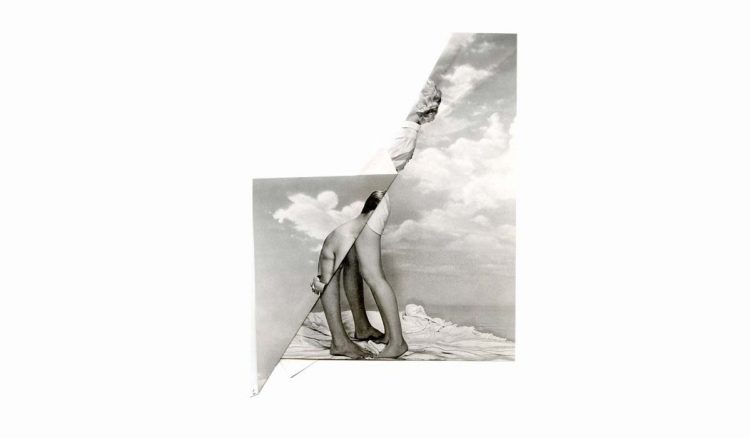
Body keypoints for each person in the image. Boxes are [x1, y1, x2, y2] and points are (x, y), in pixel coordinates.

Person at [310, 80, 442, 358]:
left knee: (367, 272)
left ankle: (396, 342)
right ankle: (360, 328)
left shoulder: (403, 133)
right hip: (363, 197)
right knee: (348, 264)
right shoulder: (401, 128)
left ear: (421, 104)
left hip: (370, 201)